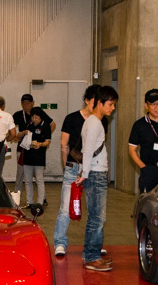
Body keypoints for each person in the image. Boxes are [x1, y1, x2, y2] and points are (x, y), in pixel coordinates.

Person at [53, 85, 100, 259]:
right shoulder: (72, 118)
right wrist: (68, 166)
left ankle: (92, 245)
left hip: (93, 168)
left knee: (94, 210)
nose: (97, 107)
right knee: (65, 207)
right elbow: (64, 144)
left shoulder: (101, 120)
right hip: (74, 167)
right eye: (94, 103)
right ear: (87, 100)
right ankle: (59, 242)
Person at [78, 86, 118, 271]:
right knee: (98, 218)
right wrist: (85, 174)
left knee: (95, 217)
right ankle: (92, 257)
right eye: (110, 104)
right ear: (99, 103)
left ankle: (90, 254)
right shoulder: (94, 123)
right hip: (95, 174)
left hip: (94, 173)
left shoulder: (93, 121)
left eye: (114, 105)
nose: (112, 108)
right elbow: (87, 151)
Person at [13, 94, 55, 192]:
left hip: (37, 149)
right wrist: (16, 136)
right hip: (23, 149)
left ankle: (42, 199)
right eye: (23, 103)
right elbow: (10, 129)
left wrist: (44, 137)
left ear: (33, 103)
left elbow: (52, 124)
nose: (26, 105)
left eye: (28, 102)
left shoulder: (39, 113)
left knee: (38, 177)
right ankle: (16, 197)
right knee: (20, 174)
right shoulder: (18, 115)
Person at [18, 109, 51, 206]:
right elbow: (18, 136)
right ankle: (30, 202)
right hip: (27, 156)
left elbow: (47, 142)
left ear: (41, 117)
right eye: (33, 117)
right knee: (27, 180)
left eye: (37, 117)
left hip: (39, 157)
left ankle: (40, 202)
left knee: (39, 180)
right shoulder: (29, 125)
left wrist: (40, 144)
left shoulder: (45, 126)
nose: (34, 119)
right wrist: (24, 132)